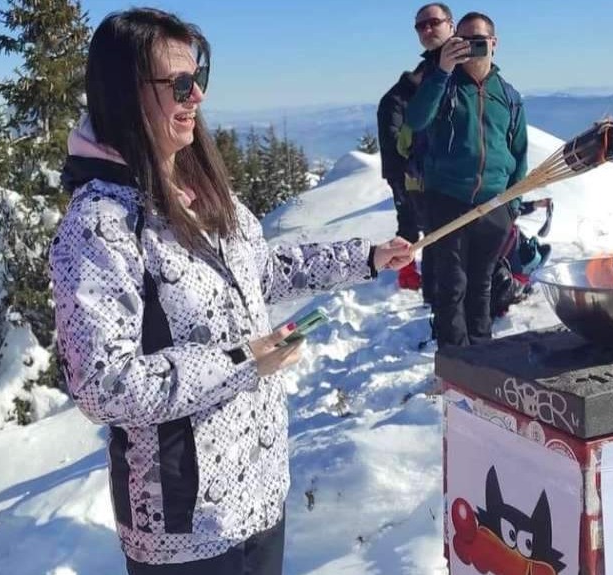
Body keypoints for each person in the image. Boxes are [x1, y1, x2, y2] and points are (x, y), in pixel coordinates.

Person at [50, 8, 413, 575]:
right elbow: (102, 385)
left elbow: (261, 274)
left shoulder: (200, 188)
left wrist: (365, 258)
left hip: (258, 489)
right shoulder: (101, 222)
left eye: (199, 79)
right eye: (179, 84)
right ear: (125, 93)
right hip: (183, 523)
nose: (196, 97)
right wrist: (242, 360)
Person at [404, 11, 528, 348]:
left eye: (480, 41)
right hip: (448, 201)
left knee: (482, 285)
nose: (473, 47)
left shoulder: (509, 96)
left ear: (494, 44)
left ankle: (482, 358)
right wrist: (443, 70)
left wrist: (512, 205)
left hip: (494, 206)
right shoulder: (442, 83)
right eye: (465, 40)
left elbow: (519, 153)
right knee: (452, 285)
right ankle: (456, 367)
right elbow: (415, 120)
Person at [377, 3, 454, 297]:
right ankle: (417, 281)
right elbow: (397, 143)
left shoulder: (462, 74)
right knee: (422, 230)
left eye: (433, 22)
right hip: (413, 177)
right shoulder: (398, 99)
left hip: (422, 177)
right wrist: (400, 177)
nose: (427, 29)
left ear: (450, 24)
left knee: (422, 230)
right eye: (420, 26)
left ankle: (415, 279)